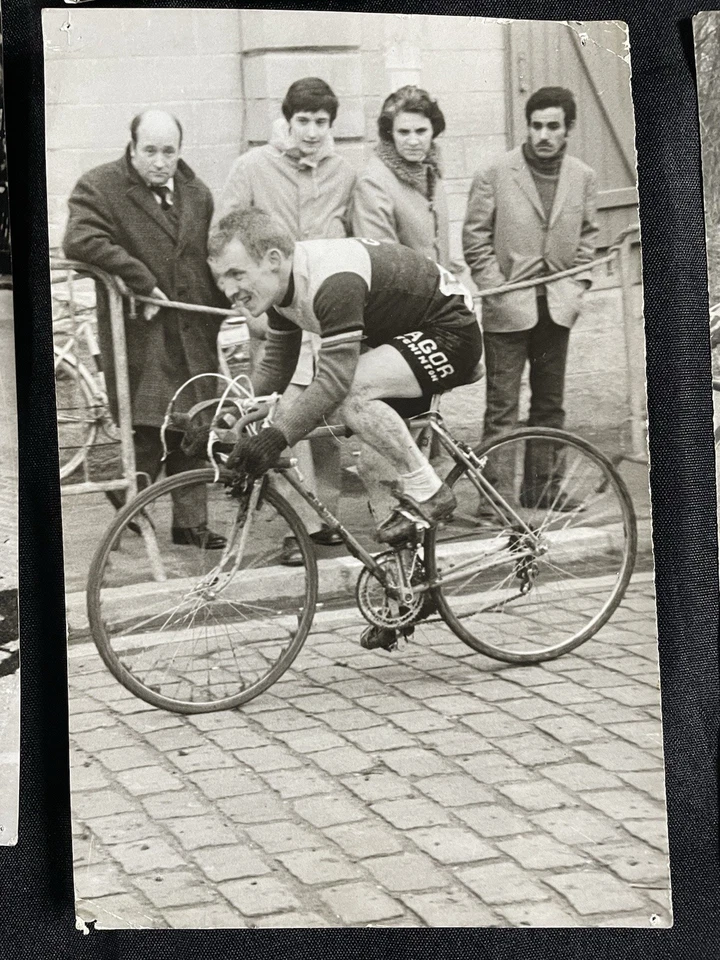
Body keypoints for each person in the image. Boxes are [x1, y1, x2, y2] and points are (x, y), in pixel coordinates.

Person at [204, 209, 483, 647]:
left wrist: (276, 437)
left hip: (449, 331)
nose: (228, 291)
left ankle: (432, 491)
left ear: (273, 259)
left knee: (351, 393)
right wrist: (228, 415)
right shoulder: (282, 291)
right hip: (399, 342)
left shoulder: (332, 283)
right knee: (376, 466)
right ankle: (411, 593)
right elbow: (276, 364)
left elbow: (333, 380)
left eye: (236, 274)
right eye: (221, 278)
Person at [63, 108, 227, 547]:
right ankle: (128, 493)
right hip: (143, 330)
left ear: (180, 151)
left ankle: (190, 523)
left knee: (195, 422)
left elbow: (209, 256)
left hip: (193, 326)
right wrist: (140, 278)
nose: (159, 161)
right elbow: (80, 239)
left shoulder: (197, 193)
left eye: (168, 151)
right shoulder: (100, 186)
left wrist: (232, 300)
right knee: (155, 422)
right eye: (150, 150)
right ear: (132, 147)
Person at [215, 78, 355, 565]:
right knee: (283, 423)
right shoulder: (252, 167)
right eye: (303, 121)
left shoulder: (343, 172)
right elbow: (224, 247)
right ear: (287, 121)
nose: (312, 132)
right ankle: (298, 529)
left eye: (321, 122)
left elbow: (354, 240)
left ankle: (328, 522)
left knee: (327, 425)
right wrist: (248, 311)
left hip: (330, 316)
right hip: (279, 322)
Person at [462, 86, 599, 509]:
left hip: (557, 308)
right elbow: (474, 238)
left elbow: (590, 238)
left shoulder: (583, 176)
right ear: (527, 127)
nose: (543, 134)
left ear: (568, 129)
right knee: (502, 407)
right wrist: (496, 287)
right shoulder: (495, 172)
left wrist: (576, 289)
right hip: (509, 308)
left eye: (553, 126)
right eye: (536, 125)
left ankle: (543, 489)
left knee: (549, 405)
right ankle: (496, 499)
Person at [352, 85, 450, 268]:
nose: (413, 141)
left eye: (421, 131)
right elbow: (384, 263)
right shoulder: (373, 182)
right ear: (390, 134)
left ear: (433, 131)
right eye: (403, 132)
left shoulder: (431, 171)